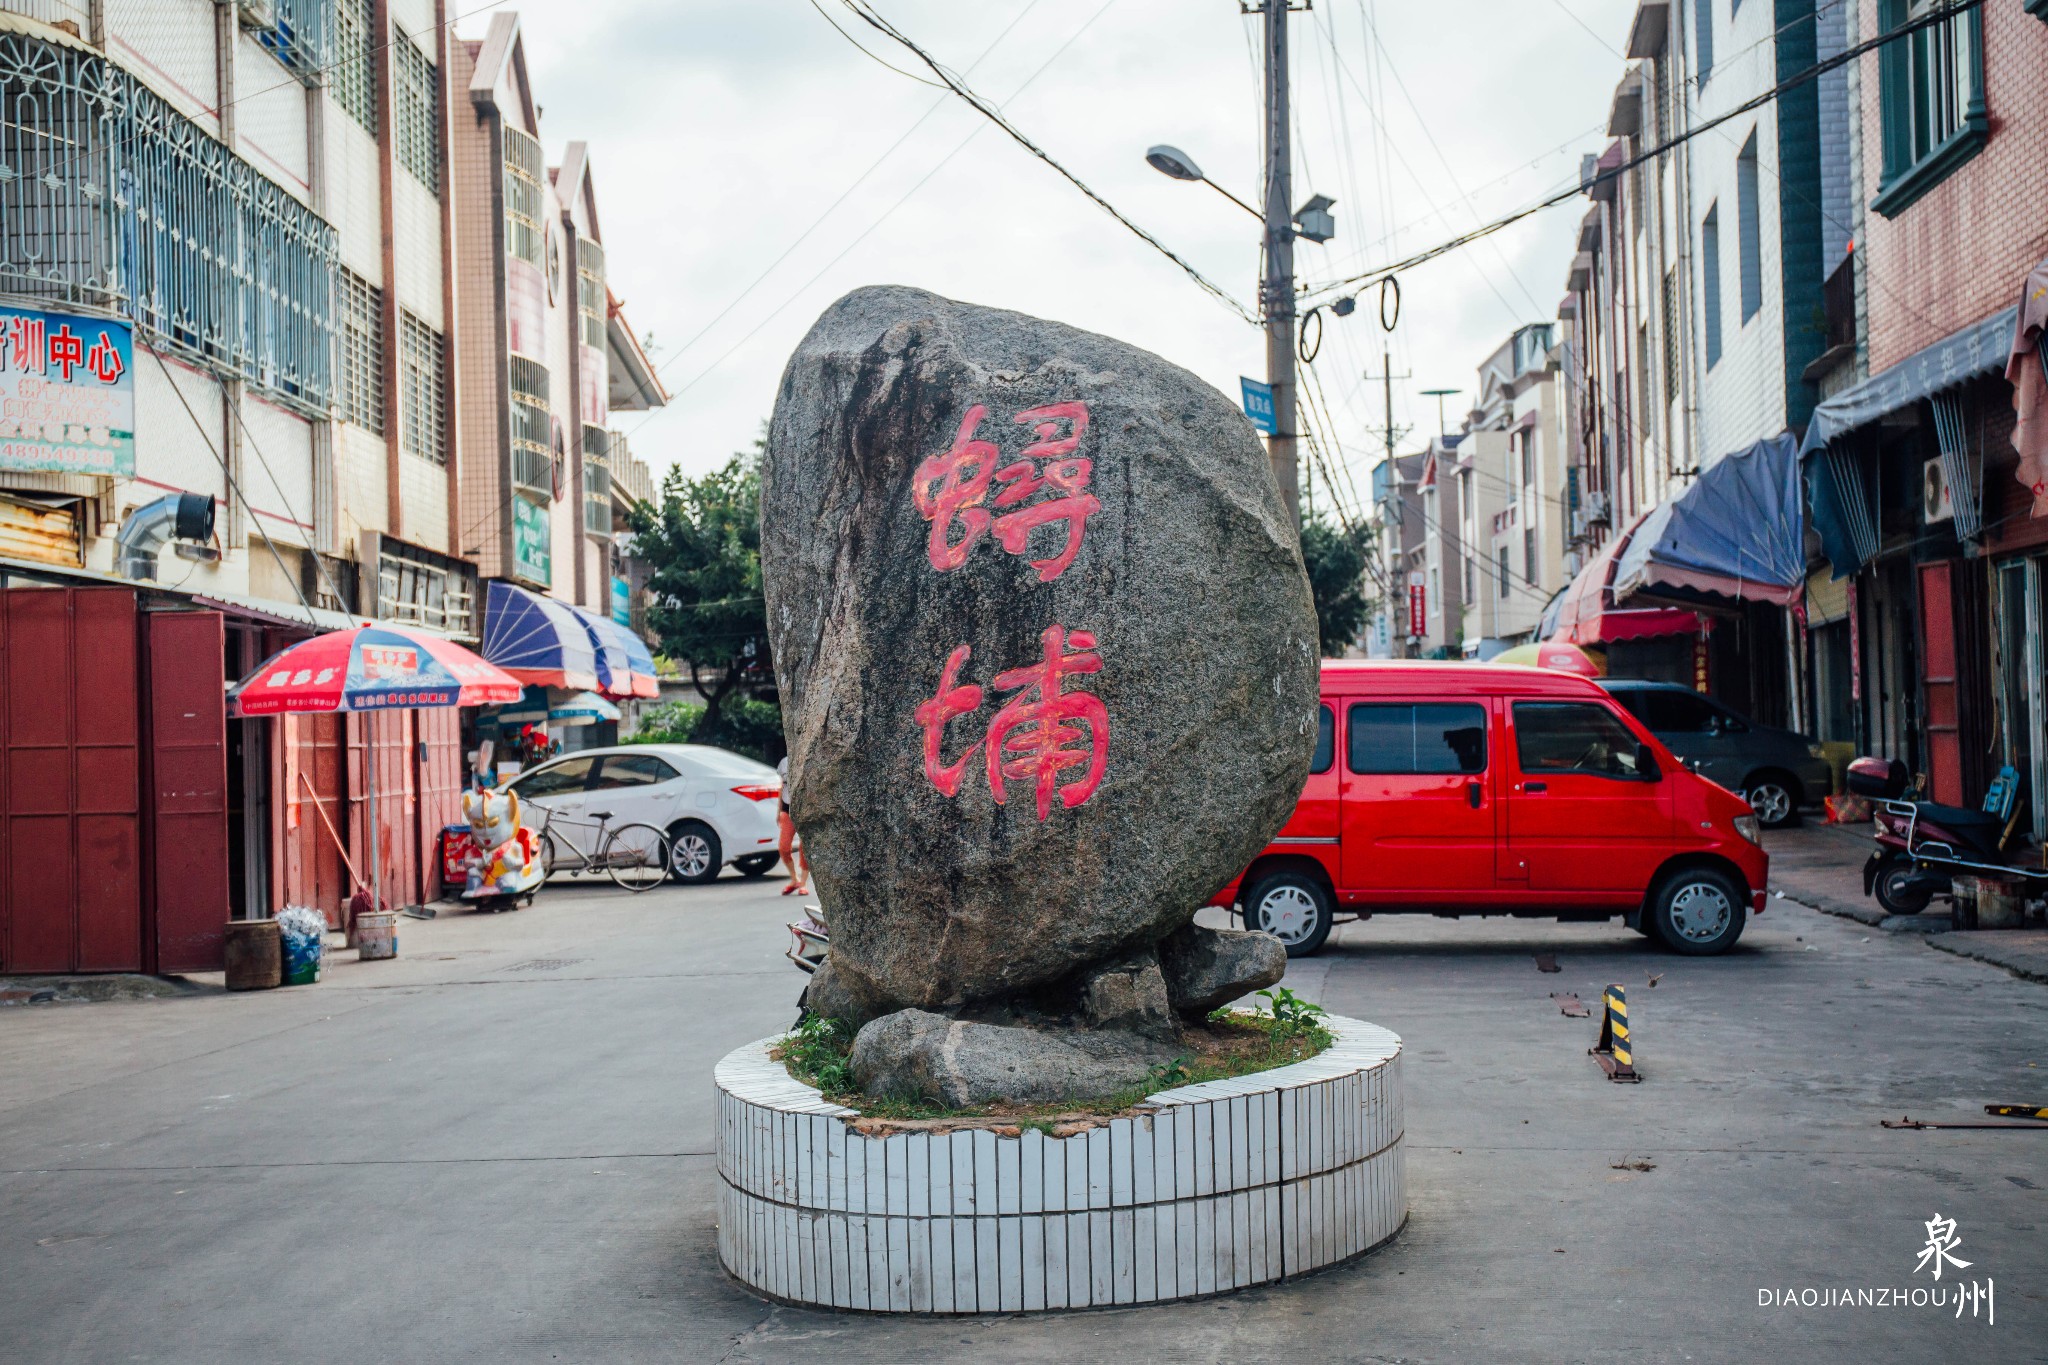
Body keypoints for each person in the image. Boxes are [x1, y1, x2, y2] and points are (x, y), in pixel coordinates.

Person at [776, 755, 809, 896]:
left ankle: (803, 883)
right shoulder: (784, 761)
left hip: (804, 808)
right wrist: (778, 811)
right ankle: (794, 879)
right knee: (783, 847)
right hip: (787, 809)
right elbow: (781, 786)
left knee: (805, 847)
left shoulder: (807, 757)